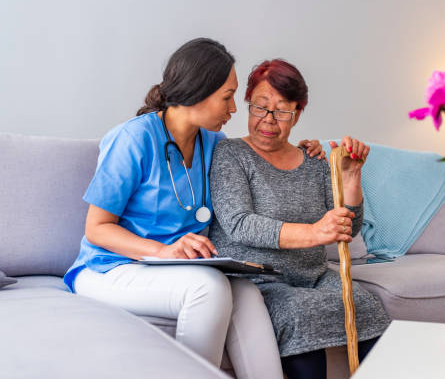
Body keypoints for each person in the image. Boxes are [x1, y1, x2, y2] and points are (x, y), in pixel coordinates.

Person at [63, 39, 323, 377]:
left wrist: (306, 151)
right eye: (227, 97)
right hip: (110, 268)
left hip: (178, 268)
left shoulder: (213, 143)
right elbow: (97, 228)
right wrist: (163, 251)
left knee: (245, 292)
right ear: (198, 91)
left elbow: (259, 166)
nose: (233, 110)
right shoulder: (133, 139)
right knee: (209, 289)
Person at [209, 59, 391, 379]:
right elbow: (239, 223)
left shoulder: (314, 160)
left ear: (298, 114)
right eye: (260, 107)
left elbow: (349, 227)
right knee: (302, 312)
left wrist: (351, 177)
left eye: (282, 111)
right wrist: (314, 231)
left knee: (367, 307)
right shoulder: (231, 154)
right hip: (258, 280)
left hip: (313, 273)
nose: (268, 120)